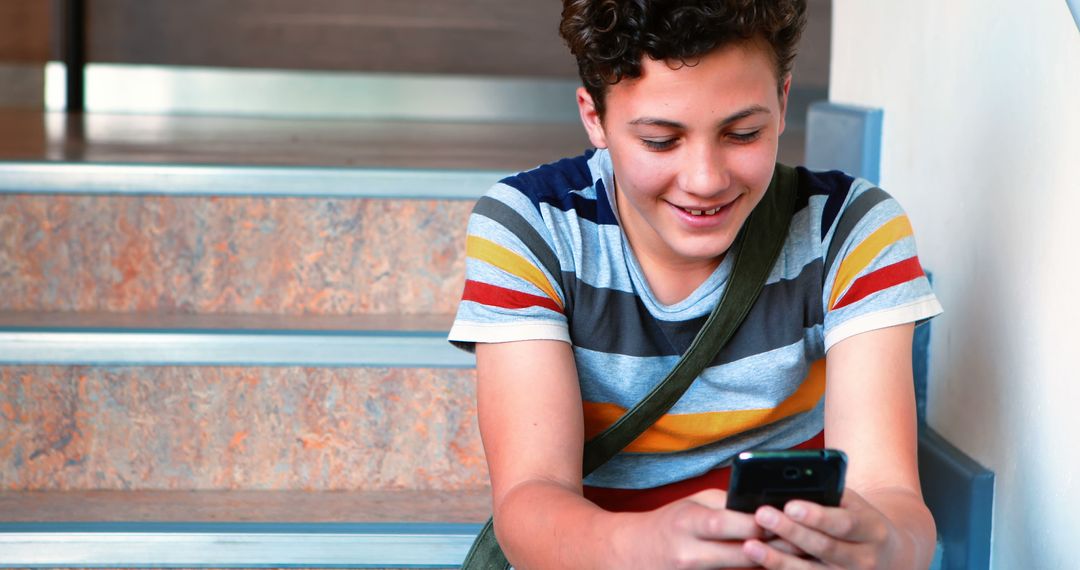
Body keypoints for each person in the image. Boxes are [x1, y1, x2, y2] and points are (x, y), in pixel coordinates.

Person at [449, 0, 943, 567]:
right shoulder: (531, 226)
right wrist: (648, 546)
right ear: (594, 117)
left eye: (743, 133)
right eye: (661, 140)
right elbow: (528, 502)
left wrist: (885, 545)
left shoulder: (851, 231)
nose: (706, 180)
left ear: (783, 103)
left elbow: (893, 500)